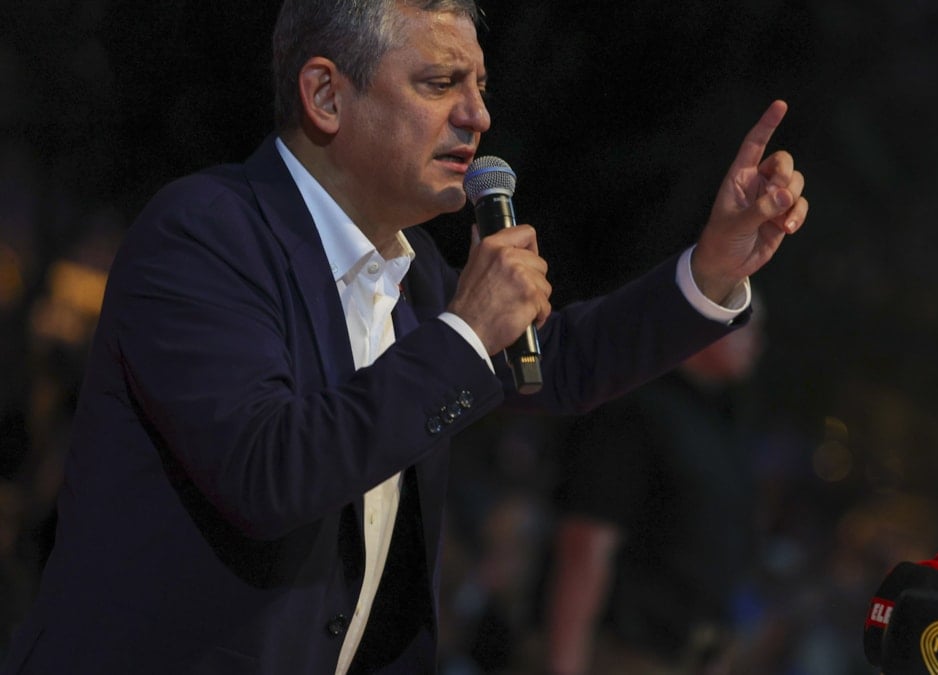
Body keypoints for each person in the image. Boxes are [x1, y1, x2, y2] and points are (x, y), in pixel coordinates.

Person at [0, 0, 808, 674]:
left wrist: (711, 268)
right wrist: (464, 332)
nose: (478, 115)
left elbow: (555, 366)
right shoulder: (205, 233)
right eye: (440, 83)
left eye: (480, 86)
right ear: (326, 95)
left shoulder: (411, 270)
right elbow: (265, 469)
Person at [545, 301, 766, 675]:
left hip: (688, 655)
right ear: (703, 321)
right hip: (624, 653)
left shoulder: (722, 423)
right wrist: (565, 665)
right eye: (747, 326)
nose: (757, 343)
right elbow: (586, 541)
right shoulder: (636, 405)